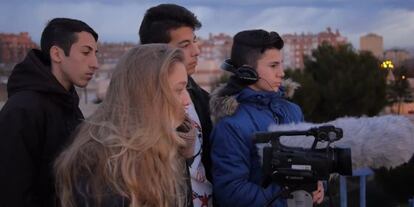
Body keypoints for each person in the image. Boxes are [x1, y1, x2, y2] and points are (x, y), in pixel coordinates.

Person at [55, 44, 193, 207]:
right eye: (178, 90)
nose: (187, 100)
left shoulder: (167, 144)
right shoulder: (100, 169)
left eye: (186, 88)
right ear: (146, 96)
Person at [209, 29, 324, 206]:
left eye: (281, 64)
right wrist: (289, 197)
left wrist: (316, 186)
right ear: (247, 72)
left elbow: (309, 162)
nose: (282, 73)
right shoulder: (230, 125)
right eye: (273, 66)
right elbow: (230, 191)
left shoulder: (293, 111)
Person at [0, 18, 98, 207]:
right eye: (86, 52)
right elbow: (11, 193)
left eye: (95, 53)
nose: (95, 63)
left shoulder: (69, 105)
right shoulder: (22, 110)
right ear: (57, 54)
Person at [139, 4, 213, 206]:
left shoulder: (202, 99)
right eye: (184, 45)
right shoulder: (136, 110)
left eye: (195, 41)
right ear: (157, 50)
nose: (196, 51)